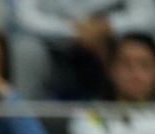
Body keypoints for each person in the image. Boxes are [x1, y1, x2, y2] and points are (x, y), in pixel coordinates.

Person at [10, 0, 154, 98]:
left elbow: (145, 13)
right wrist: (72, 31)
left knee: (135, 50)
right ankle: (22, 123)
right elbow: (24, 17)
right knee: (25, 50)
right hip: (54, 47)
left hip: (110, 43)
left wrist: (107, 26)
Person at [71, 31, 155, 134]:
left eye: (145, 65)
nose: (136, 73)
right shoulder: (89, 114)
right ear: (110, 69)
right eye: (126, 64)